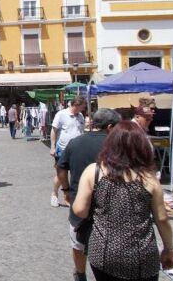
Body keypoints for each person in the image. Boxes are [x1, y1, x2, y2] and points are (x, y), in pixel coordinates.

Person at [73, 121, 173, 280]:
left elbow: (80, 210)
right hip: (142, 254)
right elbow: (162, 219)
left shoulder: (94, 171)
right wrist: (169, 249)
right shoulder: (148, 178)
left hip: (103, 253)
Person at [57, 109, 121, 281]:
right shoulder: (117, 146)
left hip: (79, 202)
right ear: (110, 127)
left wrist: (66, 190)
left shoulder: (75, 143)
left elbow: (61, 169)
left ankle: (80, 274)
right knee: (109, 242)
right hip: (109, 204)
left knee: (78, 243)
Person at [50, 96, 86, 207]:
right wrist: (52, 146)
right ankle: (54, 194)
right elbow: (54, 130)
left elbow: (82, 131)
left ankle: (73, 196)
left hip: (78, 150)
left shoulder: (80, 116)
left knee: (77, 173)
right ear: (77, 105)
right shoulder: (61, 114)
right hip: (63, 149)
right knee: (61, 174)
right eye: (83, 106)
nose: (84, 109)